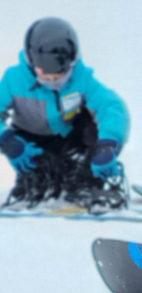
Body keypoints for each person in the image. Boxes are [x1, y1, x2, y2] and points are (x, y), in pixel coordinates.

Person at [0, 18, 129, 211]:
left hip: (70, 138)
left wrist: (107, 145)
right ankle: (33, 183)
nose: (52, 80)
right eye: (44, 74)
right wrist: (7, 140)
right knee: (39, 176)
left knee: (91, 123)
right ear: (30, 61)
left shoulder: (82, 79)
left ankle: (86, 182)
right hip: (30, 141)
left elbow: (111, 107)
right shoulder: (14, 79)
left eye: (59, 75)